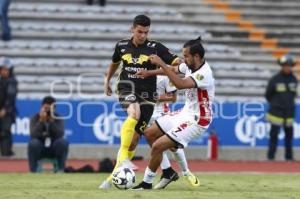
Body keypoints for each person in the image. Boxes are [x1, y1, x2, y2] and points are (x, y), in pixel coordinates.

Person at [99, 14, 180, 188]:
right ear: (132, 29)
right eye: (139, 31)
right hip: (126, 89)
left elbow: (177, 64)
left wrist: (162, 66)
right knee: (133, 113)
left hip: (149, 99)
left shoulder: (156, 48)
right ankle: (123, 164)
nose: (143, 35)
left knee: (134, 141)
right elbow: (114, 62)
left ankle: (112, 176)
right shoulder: (121, 46)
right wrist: (107, 80)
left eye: (146, 32)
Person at [131, 37, 215, 190]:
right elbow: (174, 69)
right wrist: (149, 73)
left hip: (198, 119)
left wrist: (161, 62)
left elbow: (180, 84)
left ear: (196, 56)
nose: (183, 59)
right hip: (185, 113)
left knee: (158, 146)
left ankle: (146, 183)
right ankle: (169, 172)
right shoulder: (190, 66)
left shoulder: (204, 74)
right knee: (149, 133)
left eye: (186, 56)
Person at [265, 54, 297, 161]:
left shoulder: (294, 79)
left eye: (289, 65)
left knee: (289, 137)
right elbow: (268, 95)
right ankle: (271, 157)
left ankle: (289, 158)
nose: (287, 67)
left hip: (289, 113)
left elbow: (294, 95)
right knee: (273, 136)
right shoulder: (275, 79)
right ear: (282, 66)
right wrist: (276, 105)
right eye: (285, 65)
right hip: (276, 113)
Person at [28, 96, 69, 172]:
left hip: (54, 148)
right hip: (40, 147)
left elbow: (60, 134)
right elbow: (33, 134)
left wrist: (52, 122)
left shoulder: (58, 117)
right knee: (33, 143)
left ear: (54, 109)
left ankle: (61, 169)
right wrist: (41, 121)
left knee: (62, 142)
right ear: (41, 107)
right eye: (46, 108)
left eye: (50, 109)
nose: (48, 111)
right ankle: (33, 171)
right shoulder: (35, 117)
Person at [0, 56, 17, 156]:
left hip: (7, 113)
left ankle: (6, 157)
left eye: (6, 69)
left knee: (5, 133)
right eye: (2, 69)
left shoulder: (12, 81)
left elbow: (10, 98)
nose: (4, 71)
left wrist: (4, 110)